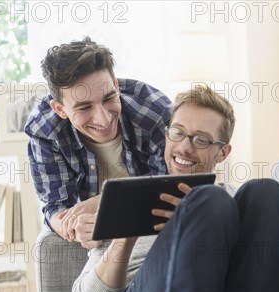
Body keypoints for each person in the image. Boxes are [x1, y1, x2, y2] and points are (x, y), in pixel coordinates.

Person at [72, 85, 279, 292]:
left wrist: (197, 220)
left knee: (265, 191)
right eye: (178, 133)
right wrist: (126, 235)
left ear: (222, 152)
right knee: (209, 200)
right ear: (167, 136)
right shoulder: (130, 199)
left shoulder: (231, 204)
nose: (185, 147)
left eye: (201, 139)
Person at [26, 37, 171, 249]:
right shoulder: (44, 131)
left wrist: (106, 201)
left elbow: (167, 189)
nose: (103, 119)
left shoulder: (156, 112)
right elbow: (55, 206)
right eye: (84, 108)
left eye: (108, 98)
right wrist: (73, 227)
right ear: (60, 109)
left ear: (116, 85)